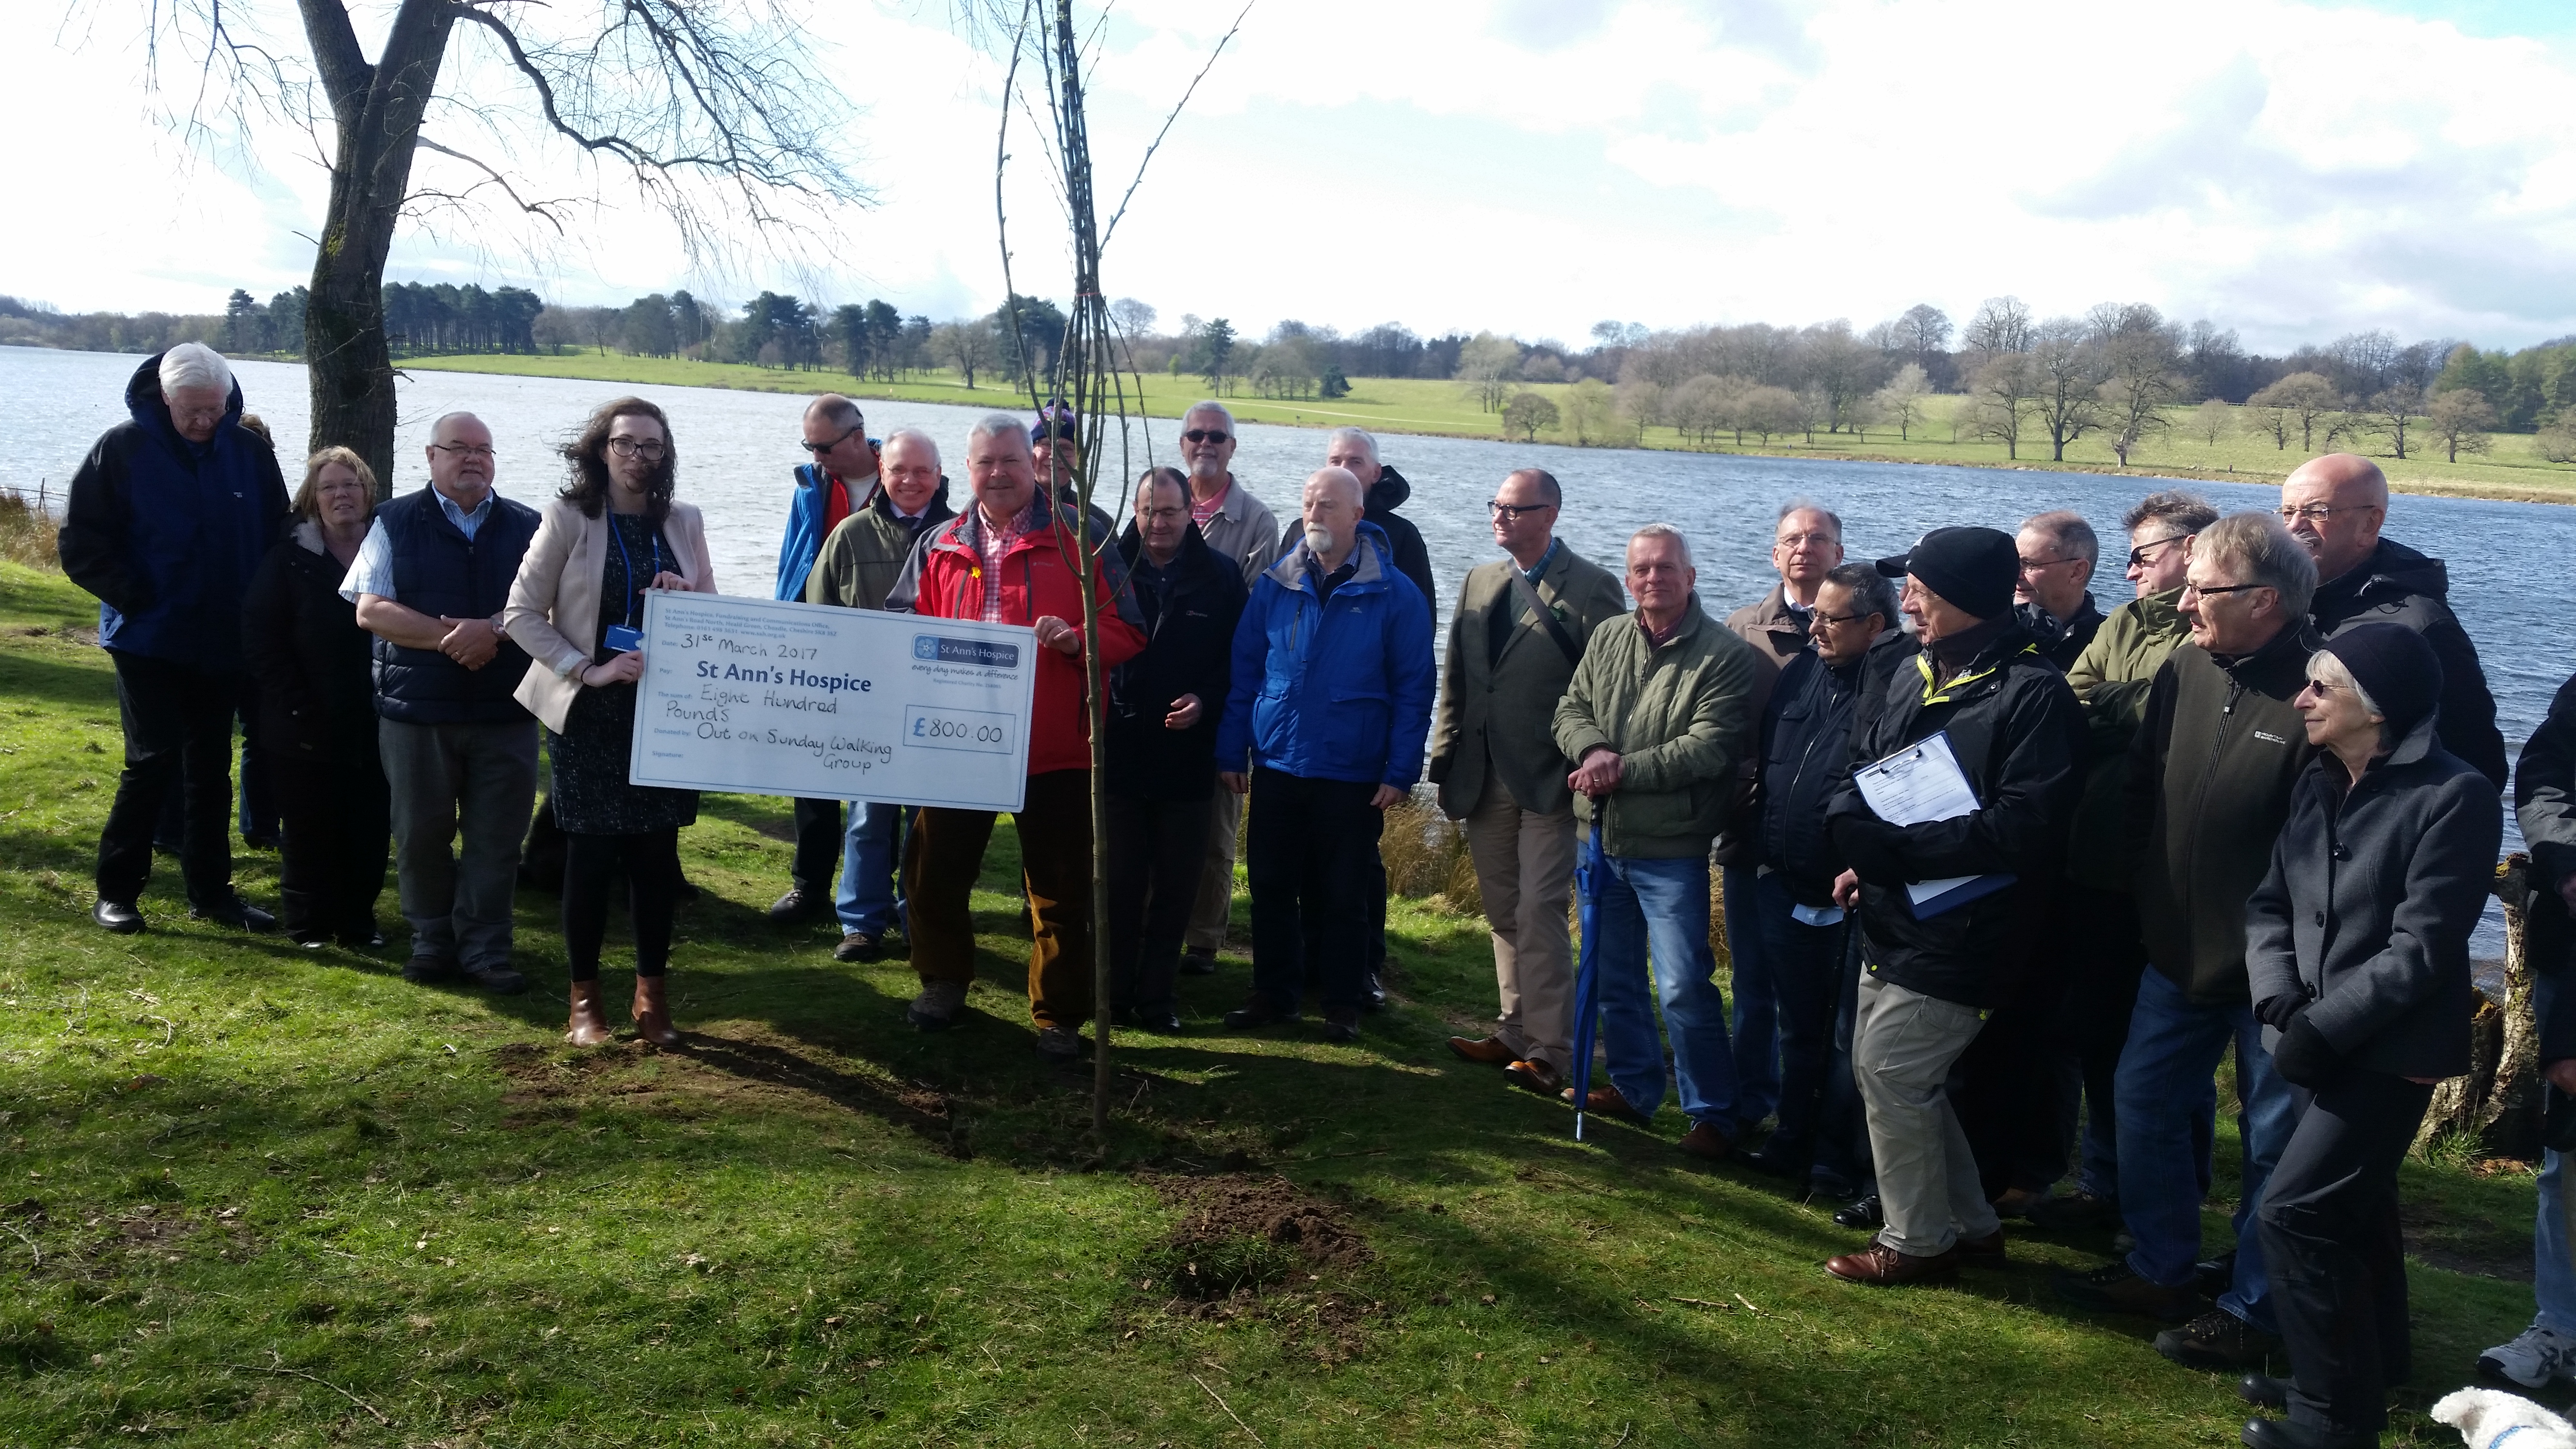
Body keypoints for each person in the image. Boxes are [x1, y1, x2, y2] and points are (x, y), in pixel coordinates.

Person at [2054, 511, 2319, 1371]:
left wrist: (2296, 956)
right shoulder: (2185, 667)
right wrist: (2143, 889)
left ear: (2265, 599)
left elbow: (2331, 842)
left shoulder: (2320, 689)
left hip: (2279, 973)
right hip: (2174, 948)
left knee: (2274, 1141)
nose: (2185, 604)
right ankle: (2160, 1266)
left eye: (2202, 590)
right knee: (2140, 1101)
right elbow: (2142, 784)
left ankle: (2254, 1305)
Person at [2240, 624, 2501, 1449]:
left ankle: (2331, 1420)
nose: (2301, 699)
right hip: (2316, 1032)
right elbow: (2270, 903)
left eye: (2324, 687)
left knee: (2297, 1215)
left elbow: (2422, 947)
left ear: (2377, 709)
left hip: (2388, 1050)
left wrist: (2321, 1024)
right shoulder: (2319, 779)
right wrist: (2278, 995)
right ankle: (2368, 1366)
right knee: (2356, 1211)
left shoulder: (2453, 795)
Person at [1819, 526, 2083, 1287]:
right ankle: (1970, 1227)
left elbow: (2023, 828)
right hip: (1890, 910)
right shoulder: (1906, 666)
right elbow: (1863, 764)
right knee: (1898, 1078)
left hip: (1971, 929)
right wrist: (1855, 845)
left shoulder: (2035, 694)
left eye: (1921, 591)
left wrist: (1894, 852)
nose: (1905, 601)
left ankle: (1915, 1242)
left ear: (1967, 599)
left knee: (1892, 1071)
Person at [886, 415, 1147, 1059]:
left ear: (1033, 466)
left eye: (1009, 460)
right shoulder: (941, 542)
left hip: (1056, 747)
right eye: (985, 462)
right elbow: (900, 626)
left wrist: (1078, 641)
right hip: (955, 744)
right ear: (966, 471)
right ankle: (943, 981)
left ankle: (1059, 1017)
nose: (998, 473)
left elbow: (1131, 632)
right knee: (932, 874)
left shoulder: (1084, 539)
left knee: (1060, 892)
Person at [2031, 489, 2221, 1232]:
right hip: (2094, 863)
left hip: (2158, 876)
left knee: (2166, 1056)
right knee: (2099, 1033)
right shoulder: (2122, 620)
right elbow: (2070, 700)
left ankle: (2168, 1201)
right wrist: (2132, 703)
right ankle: (2105, 1187)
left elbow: (2176, 714)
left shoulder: (2205, 631)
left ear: (2189, 552)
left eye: (2144, 556)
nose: (2133, 571)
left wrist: (2129, 703)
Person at [503, 398, 716, 1045]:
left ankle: (652, 999)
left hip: (664, 714)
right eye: (626, 444)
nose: (638, 458)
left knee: (656, 857)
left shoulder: (684, 520)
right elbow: (519, 614)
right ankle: (584, 1003)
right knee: (590, 859)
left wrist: (689, 597)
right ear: (602, 449)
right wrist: (585, 668)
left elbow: (714, 612)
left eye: (651, 447)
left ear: (665, 454)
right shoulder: (569, 518)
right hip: (589, 712)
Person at [59, 343, 290, 934]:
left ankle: (212, 893)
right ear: (164, 398)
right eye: (191, 410)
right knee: (152, 762)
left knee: (211, 770)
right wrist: (134, 596)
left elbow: (276, 535)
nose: (203, 421)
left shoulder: (248, 452)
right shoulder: (123, 450)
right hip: (148, 639)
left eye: (214, 408)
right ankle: (117, 891)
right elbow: (82, 542)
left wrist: (261, 609)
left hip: (222, 640)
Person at [1549, 523, 1759, 1160]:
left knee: (1681, 985)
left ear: (1690, 578)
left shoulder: (1724, 654)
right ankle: (1635, 1088)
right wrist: (1591, 749)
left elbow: (1709, 747)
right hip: (1601, 839)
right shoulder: (1609, 634)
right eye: (1641, 569)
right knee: (1612, 976)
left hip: (1672, 849)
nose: (1652, 580)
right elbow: (1569, 709)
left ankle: (1714, 1114)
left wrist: (1619, 770)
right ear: (1630, 575)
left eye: (1666, 569)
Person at [1214, 467, 1433, 1042]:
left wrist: (1400, 770)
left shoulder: (1394, 593)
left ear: (1357, 516)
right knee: (1268, 883)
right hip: (1279, 761)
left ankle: (1341, 1000)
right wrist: (1230, 748)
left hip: (1351, 770)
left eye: (1328, 505)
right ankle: (1274, 993)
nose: (1314, 514)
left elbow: (1415, 688)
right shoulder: (1275, 583)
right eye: (1309, 503)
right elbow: (1244, 671)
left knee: (1342, 893)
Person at [1433, 468, 1629, 1096]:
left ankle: (1552, 1052)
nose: (1501, 517)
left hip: (1554, 780)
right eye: (1496, 506)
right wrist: (1443, 754)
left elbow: (1612, 689)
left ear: (1551, 514)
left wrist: (1598, 757)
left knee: (1540, 911)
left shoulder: (1594, 588)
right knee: (1502, 910)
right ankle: (1514, 1031)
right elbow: (1457, 679)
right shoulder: (1479, 580)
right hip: (1483, 774)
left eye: (1516, 509)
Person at [347, 411, 543, 993]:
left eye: (484, 449)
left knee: (497, 839)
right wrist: (455, 638)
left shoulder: (530, 526)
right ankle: (431, 942)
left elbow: (554, 608)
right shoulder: (391, 520)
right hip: (417, 713)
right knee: (419, 834)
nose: (473, 459)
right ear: (430, 457)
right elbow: (369, 609)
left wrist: (495, 631)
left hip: (505, 712)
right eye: (459, 448)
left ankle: (486, 951)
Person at [1736, 562, 1915, 1193]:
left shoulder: (1900, 687)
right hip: (1783, 880)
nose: (1814, 628)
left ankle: (1837, 1164)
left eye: (1828, 618)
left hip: (1853, 894)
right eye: (1813, 615)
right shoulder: (1804, 672)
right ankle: (1792, 1140)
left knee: (1850, 1039)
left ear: (1873, 624)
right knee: (1798, 1025)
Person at [1104, 467, 1247, 1031]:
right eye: (1147, 511)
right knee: (1119, 883)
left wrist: (1205, 701)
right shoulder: (1108, 568)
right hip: (1118, 749)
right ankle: (1112, 994)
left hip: (1187, 758)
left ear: (1192, 514)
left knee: (1176, 885)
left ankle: (1157, 999)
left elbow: (1239, 664)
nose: (1157, 523)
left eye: (1169, 512)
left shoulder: (1222, 577)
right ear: (1134, 513)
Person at [805, 427, 956, 962]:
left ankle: (919, 917)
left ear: (939, 475)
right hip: (868, 706)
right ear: (882, 473)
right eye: (899, 471)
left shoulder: (961, 537)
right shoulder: (848, 535)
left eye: (921, 471)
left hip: (938, 709)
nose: (910, 481)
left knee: (928, 823)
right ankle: (861, 924)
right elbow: (818, 619)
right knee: (869, 817)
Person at [1721, 502, 1846, 1140]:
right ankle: (1748, 1102)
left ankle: (1813, 1114)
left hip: (1824, 848)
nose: (1805, 548)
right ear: (1775, 555)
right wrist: (1742, 789)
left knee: (1820, 995)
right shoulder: (1741, 629)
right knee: (1751, 981)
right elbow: (1719, 725)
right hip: (1749, 833)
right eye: (1792, 539)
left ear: (1838, 555)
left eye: (1818, 539)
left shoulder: (1867, 636)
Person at [1302, 427, 1436, 1011]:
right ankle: (1306, 964)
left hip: (1362, 732)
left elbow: (1416, 640)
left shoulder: (1401, 538)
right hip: (1303, 735)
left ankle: (1363, 967)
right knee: (1300, 855)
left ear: (1375, 474)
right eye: (1335, 460)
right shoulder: (1301, 528)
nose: (1346, 467)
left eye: (1355, 461)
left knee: (1359, 864)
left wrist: (1396, 752)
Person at [2281, 452, 2507, 789]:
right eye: (2287, 512)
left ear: (2370, 524)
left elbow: (2477, 761)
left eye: (2317, 512)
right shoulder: (2278, 604)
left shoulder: (2420, 626)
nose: (2295, 527)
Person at [241, 447, 391, 948]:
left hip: (376, 717)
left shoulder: (392, 552)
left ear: (368, 493)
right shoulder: (287, 560)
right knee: (308, 828)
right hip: (301, 719)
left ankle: (358, 924)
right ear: (312, 499)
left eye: (351, 485)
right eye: (328, 487)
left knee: (368, 827)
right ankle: (308, 925)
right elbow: (262, 639)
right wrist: (295, 703)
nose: (341, 495)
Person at [2484, 669, 2576, 1389]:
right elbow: (2543, 776)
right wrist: (2568, 864)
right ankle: (2561, 1327)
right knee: (2566, 1163)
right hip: (2573, 957)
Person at [1175, 401, 1281, 978]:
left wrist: (1220, 694)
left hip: (1225, 690)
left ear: (1232, 447)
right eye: (1196, 435)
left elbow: (1253, 620)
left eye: (1217, 436)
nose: (1206, 444)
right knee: (1154, 814)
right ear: (1182, 443)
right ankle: (1149, 924)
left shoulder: (1257, 522)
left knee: (1217, 826)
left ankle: (1203, 939)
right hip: (1161, 692)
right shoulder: (1159, 501)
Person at [770, 396, 880, 926]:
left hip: (878, 649)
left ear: (857, 436)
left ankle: (879, 893)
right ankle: (808, 885)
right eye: (809, 446)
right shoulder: (811, 487)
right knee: (810, 766)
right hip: (816, 639)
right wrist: (782, 622)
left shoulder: (904, 476)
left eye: (824, 446)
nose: (816, 456)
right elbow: (792, 556)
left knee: (878, 775)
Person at [2015, 510, 2106, 669]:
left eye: (2029, 564)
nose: (2017, 574)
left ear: (2077, 572)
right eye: (2015, 562)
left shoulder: (2107, 644)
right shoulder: (1989, 626)